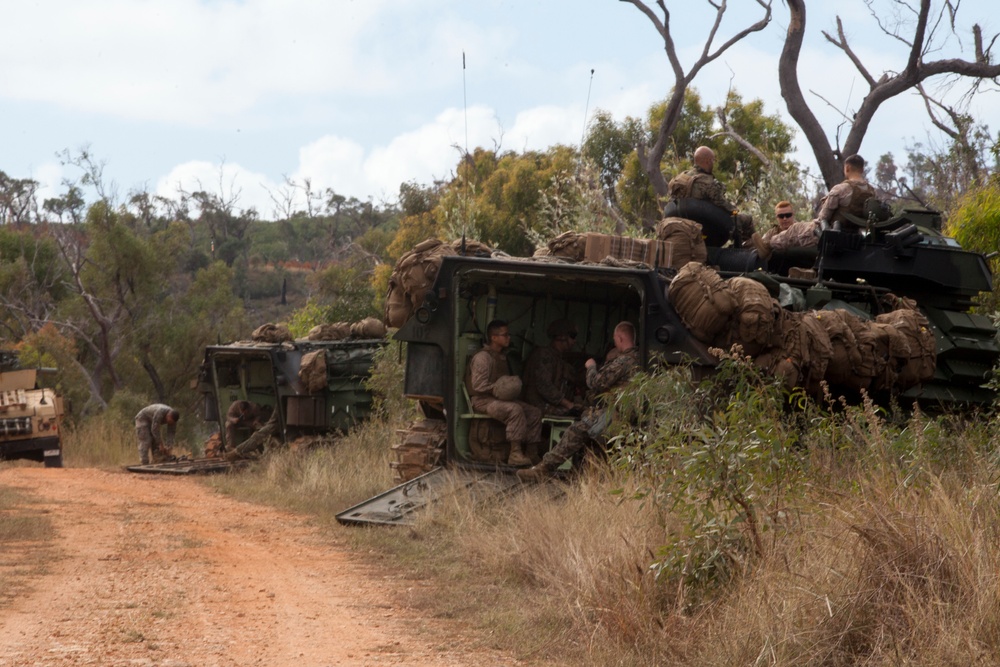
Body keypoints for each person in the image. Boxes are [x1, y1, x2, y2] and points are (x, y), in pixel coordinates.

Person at [517, 321, 640, 483]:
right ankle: (585, 474)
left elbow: (595, 383)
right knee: (587, 428)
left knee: (576, 430)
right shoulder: (642, 358)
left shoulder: (624, 361)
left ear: (619, 338)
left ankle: (545, 468)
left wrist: (591, 367)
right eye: (572, 336)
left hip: (613, 413)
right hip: (624, 413)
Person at [466, 319, 544, 467]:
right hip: (483, 401)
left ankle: (532, 453)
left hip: (499, 399)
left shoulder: (502, 356)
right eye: (505, 335)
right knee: (515, 410)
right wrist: (499, 387)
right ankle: (515, 454)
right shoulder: (483, 357)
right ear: (494, 338)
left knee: (534, 412)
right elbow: (478, 385)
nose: (508, 338)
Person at [667, 145, 753, 246]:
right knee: (745, 219)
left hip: (682, 224)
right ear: (708, 161)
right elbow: (721, 203)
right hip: (707, 224)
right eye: (713, 160)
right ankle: (747, 250)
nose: (713, 163)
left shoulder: (680, 179)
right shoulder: (707, 182)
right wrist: (735, 210)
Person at [522, 318, 579, 416]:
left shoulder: (559, 358)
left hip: (551, 404)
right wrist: (567, 404)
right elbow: (544, 386)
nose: (574, 341)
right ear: (562, 337)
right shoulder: (544, 355)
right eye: (572, 336)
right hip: (538, 406)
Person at [816, 154, 876, 233]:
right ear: (862, 170)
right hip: (857, 235)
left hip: (835, 235)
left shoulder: (840, 189)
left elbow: (823, 217)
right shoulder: (872, 192)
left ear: (847, 168)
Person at [750, 201, 819, 260]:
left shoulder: (800, 230)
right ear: (777, 217)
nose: (785, 219)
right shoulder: (771, 233)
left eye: (788, 215)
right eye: (781, 216)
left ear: (793, 215)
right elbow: (762, 248)